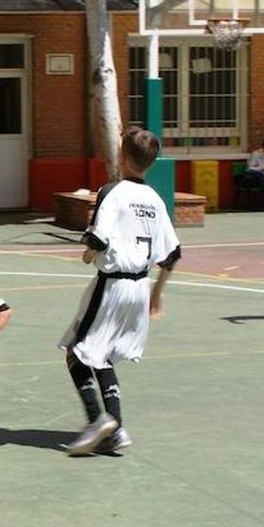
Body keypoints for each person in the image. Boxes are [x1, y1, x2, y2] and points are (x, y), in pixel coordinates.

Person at [58, 126, 182, 456]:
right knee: (103, 355)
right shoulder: (155, 199)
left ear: (123, 156)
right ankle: (117, 430)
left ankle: (98, 421)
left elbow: (97, 238)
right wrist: (157, 294)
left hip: (111, 285)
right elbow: (172, 255)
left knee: (76, 350)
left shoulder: (113, 191)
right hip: (140, 287)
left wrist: (87, 254)